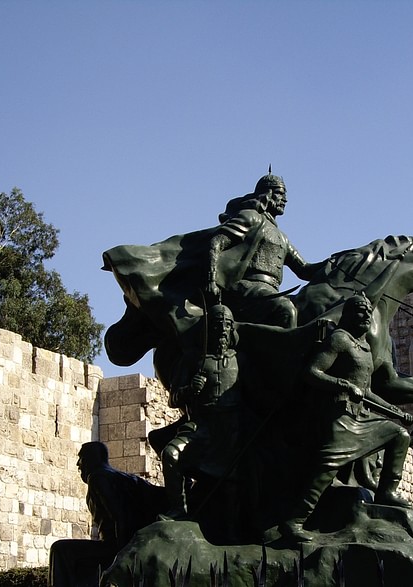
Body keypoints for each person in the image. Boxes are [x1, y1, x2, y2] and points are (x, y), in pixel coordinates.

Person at [279, 294, 413, 543]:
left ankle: (386, 492)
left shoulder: (364, 348)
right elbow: (312, 372)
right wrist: (342, 384)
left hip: (361, 416)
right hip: (339, 417)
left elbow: (368, 392)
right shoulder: (339, 340)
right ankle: (294, 522)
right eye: (360, 312)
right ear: (349, 315)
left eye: (367, 312)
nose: (365, 316)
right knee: (326, 469)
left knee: (399, 435)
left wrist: (395, 412)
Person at [161, 304, 247, 532]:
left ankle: (233, 530)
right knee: (171, 454)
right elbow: (173, 399)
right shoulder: (192, 360)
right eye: (218, 325)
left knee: (233, 481)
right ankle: (179, 509)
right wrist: (190, 389)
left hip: (230, 429)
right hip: (199, 426)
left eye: (227, 326)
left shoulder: (242, 360)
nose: (222, 330)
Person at [207, 171, 326, 327]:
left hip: (269, 292)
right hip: (245, 288)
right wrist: (211, 279)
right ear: (267, 194)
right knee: (286, 309)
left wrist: (334, 262)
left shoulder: (282, 237)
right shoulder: (251, 217)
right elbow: (216, 243)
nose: (285, 200)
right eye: (280, 194)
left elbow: (304, 270)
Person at [48, 442, 167, 587]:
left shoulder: (98, 477)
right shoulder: (126, 477)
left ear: (93, 458)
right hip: (131, 545)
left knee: (60, 549)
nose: (78, 464)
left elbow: (119, 516)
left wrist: (122, 556)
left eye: (82, 458)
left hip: (117, 547)